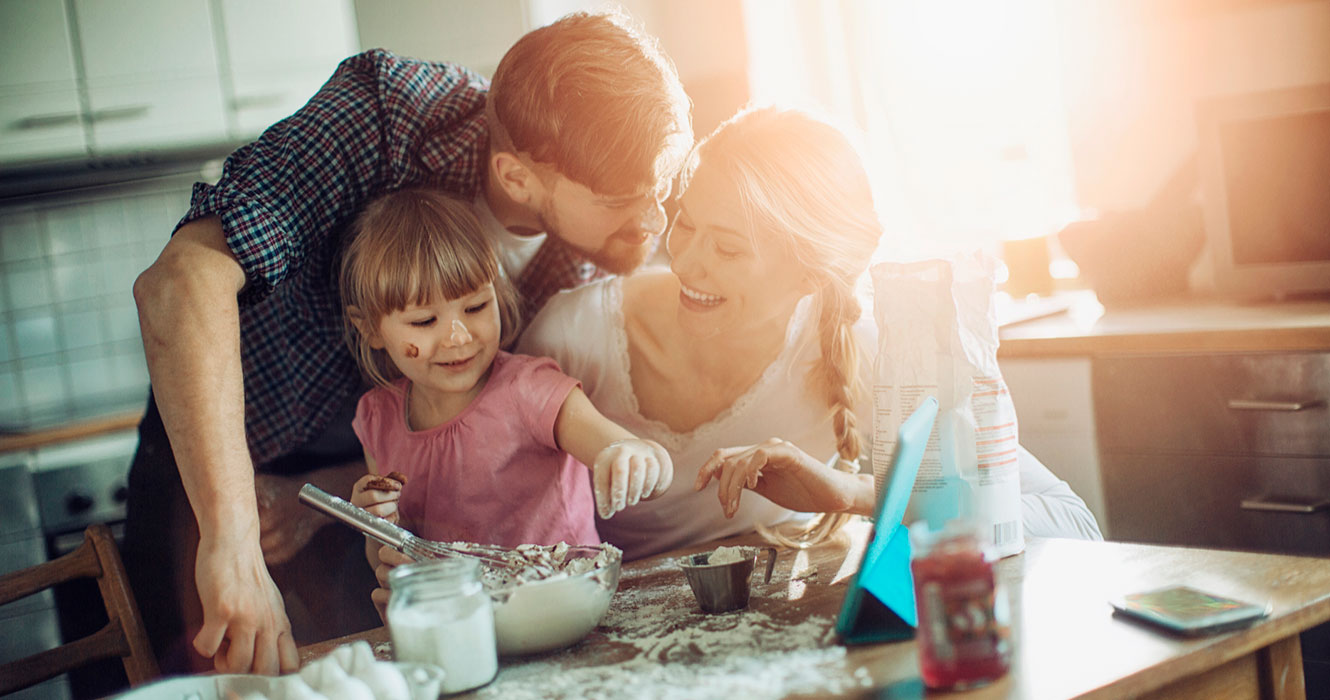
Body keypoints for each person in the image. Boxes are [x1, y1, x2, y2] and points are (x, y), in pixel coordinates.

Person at [126, 11, 691, 675]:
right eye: (629, 196)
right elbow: (179, 281)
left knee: (374, 679)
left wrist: (333, 497)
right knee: (204, 675)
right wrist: (233, 542)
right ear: (516, 178)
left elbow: (469, 439)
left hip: (372, 484)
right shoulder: (387, 114)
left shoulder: (592, 259)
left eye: (664, 184)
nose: (656, 218)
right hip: (220, 465)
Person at [516, 106, 1103, 562]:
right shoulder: (575, 336)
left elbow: (1069, 518)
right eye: (686, 224)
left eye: (726, 248)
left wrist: (851, 495)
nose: (687, 265)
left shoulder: (864, 350)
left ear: (809, 274)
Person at [339, 190, 672, 619]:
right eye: (425, 321)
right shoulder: (377, 418)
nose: (459, 336)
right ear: (370, 329)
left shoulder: (529, 389)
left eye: (477, 306)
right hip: (464, 620)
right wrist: (377, 522)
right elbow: (390, 553)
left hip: (564, 608)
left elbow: (626, 449)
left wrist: (633, 456)